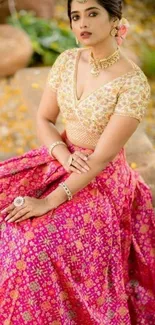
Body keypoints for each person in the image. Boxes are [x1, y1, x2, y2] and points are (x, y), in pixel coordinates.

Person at [0, 0, 155, 323]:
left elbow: (101, 160)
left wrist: (48, 202)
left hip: (101, 181)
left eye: (93, 13)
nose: (82, 23)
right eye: (75, 16)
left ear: (115, 20)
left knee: (35, 245)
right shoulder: (67, 60)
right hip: (61, 157)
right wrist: (62, 154)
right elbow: (44, 119)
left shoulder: (132, 83)